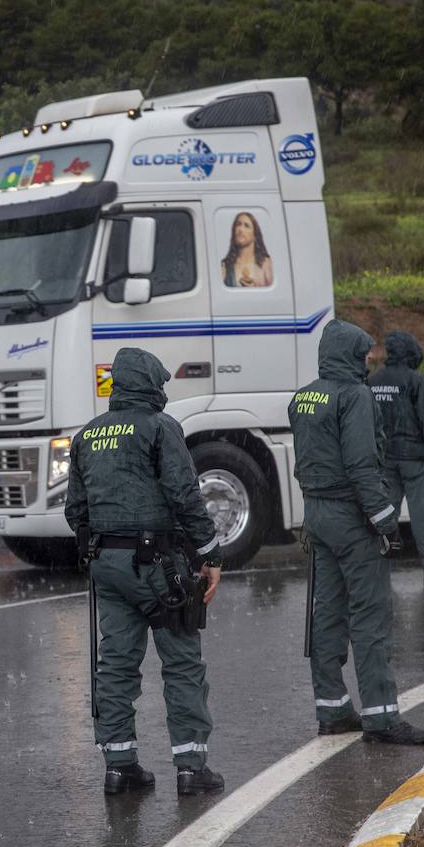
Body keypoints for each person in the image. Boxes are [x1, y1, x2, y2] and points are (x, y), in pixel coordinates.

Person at [66, 347, 225, 797]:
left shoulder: (88, 435)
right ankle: (191, 767)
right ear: (152, 386)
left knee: (115, 664)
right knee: (181, 663)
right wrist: (211, 555)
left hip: (108, 566)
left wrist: (100, 550)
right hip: (160, 565)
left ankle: (119, 767)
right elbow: (184, 495)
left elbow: (75, 511)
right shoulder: (160, 428)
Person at [289, 319, 424, 746]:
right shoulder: (355, 396)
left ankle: (332, 709)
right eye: (364, 351)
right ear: (349, 352)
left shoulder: (304, 398)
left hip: (317, 516)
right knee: (370, 615)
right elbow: (361, 466)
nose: (370, 358)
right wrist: (386, 521)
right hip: (351, 519)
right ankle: (381, 717)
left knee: (328, 613)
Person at [370, 331, 424, 586]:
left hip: (385, 459)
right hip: (414, 459)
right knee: (423, 518)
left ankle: (377, 569)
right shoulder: (416, 380)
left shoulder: (373, 381)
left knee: (385, 517)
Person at [220, 211, 273, 288]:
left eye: (246, 226)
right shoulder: (225, 266)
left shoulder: (266, 264)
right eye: (238, 224)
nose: (240, 229)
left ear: (255, 235)